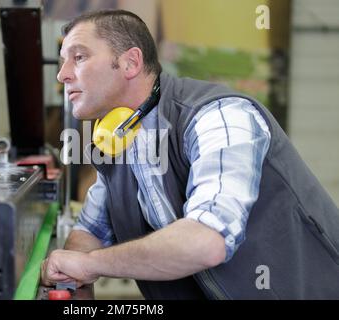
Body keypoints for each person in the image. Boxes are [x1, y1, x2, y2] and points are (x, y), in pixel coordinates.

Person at [41, 9, 339, 299]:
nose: (62, 75)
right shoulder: (117, 141)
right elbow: (90, 230)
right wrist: (70, 264)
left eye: (79, 57)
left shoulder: (220, 117)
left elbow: (207, 241)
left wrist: (90, 265)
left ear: (130, 63)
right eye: (63, 61)